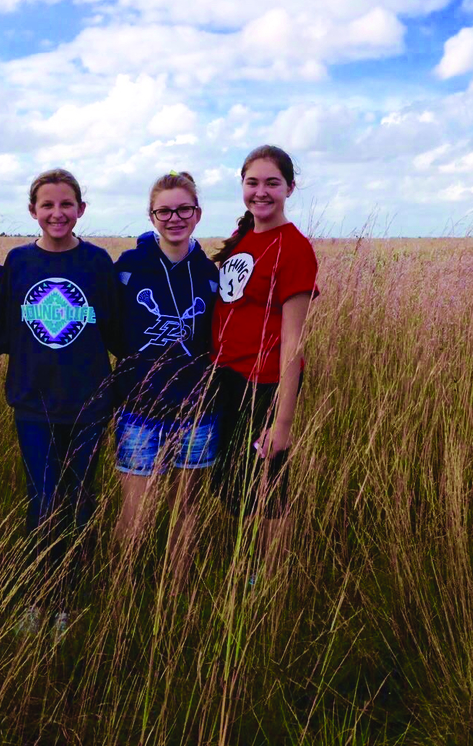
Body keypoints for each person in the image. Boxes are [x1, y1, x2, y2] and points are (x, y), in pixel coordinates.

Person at [0, 168, 124, 632]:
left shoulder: (98, 262)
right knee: (42, 499)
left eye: (67, 205)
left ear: (81, 210)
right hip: (33, 404)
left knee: (80, 500)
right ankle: (37, 597)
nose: (57, 213)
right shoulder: (19, 263)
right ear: (33, 212)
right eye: (47, 205)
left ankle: (69, 598)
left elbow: (120, 329)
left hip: (89, 404)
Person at [210, 145, 317, 578]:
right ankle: (246, 564)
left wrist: (284, 423)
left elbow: (294, 341)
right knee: (235, 481)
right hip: (228, 377)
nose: (261, 191)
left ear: (290, 187)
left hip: (266, 383)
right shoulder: (245, 239)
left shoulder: (294, 248)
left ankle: (268, 577)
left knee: (267, 486)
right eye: (252, 182)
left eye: (272, 182)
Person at [108, 172, 218, 561]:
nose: (175, 218)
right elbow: (111, 329)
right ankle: (122, 596)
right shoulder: (128, 267)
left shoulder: (209, 274)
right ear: (151, 216)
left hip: (197, 412)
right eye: (164, 211)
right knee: (134, 516)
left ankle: (178, 595)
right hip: (140, 411)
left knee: (186, 512)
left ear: (197, 213)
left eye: (183, 209)